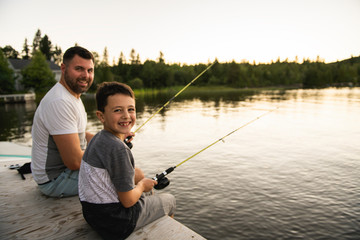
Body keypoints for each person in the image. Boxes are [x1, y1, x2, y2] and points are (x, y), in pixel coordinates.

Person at [78, 82, 176, 239]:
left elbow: (109, 155)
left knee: (140, 184)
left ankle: (147, 213)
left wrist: (121, 138)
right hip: (117, 223)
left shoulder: (98, 138)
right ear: (101, 116)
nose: (126, 116)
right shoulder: (119, 150)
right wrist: (143, 184)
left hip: (92, 215)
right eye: (118, 110)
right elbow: (128, 201)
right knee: (170, 200)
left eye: (131, 109)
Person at [31, 46, 95, 197]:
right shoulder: (59, 101)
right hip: (55, 180)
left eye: (90, 70)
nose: (85, 75)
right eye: (79, 69)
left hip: (65, 172)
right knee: (126, 174)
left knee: (122, 167)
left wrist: (112, 141)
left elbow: (80, 134)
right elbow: (74, 162)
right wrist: (107, 154)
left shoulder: (73, 96)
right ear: (63, 68)